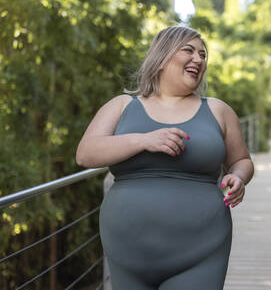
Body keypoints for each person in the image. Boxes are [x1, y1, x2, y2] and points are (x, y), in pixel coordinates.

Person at [76, 25, 254, 290]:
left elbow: (242, 161)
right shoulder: (122, 105)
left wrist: (238, 177)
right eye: (189, 50)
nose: (199, 59)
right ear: (161, 57)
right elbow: (85, 154)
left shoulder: (218, 110)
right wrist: (144, 140)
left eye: (203, 54)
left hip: (202, 250)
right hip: (127, 252)